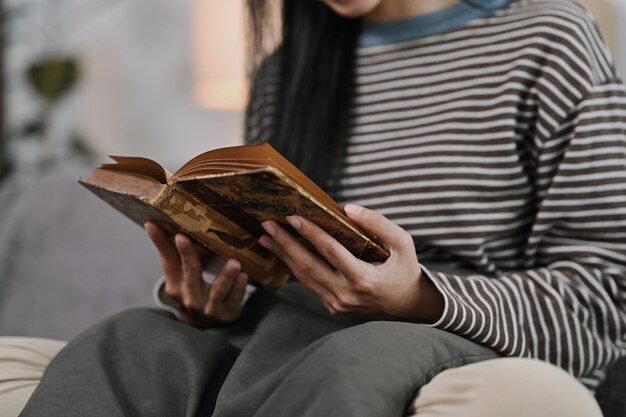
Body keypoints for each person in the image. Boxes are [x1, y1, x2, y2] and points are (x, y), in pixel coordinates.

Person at [5, 0, 625, 415]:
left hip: (448, 332)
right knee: (127, 339)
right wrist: (214, 299)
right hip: (288, 328)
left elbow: (603, 299)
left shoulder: (549, 39)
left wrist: (418, 298)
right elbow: (277, 266)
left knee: (361, 354)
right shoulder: (288, 70)